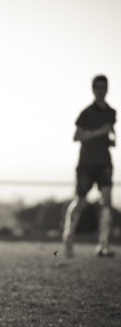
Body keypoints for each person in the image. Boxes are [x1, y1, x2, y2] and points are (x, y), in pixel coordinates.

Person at [62, 75, 117, 258]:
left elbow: (110, 134)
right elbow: (76, 137)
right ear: (93, 89)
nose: (101, 90)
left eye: (104, 87)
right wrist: (99, 132)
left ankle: (103, 246)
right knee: (80, 202)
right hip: (86, 164)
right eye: (98, 87)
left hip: (105, 163)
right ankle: (68, 240)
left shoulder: (112, 112)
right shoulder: (86, 113)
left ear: (107, 89)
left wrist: (110, 139)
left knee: (107, 203)